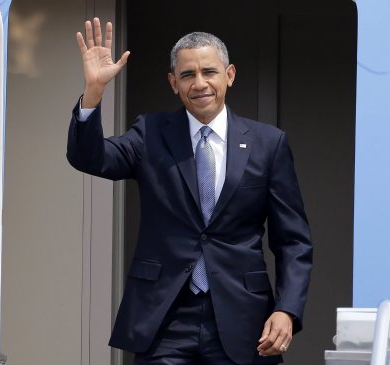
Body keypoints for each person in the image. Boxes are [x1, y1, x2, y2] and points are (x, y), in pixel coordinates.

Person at [66, 18, 313, 365]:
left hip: (244, 319)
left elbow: (294, 241)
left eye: (209, 72)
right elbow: (90, 158)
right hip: (165, 317)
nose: (199, 84)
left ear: (229, 74)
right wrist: (94, 92)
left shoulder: (268, 144)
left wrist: (287, 309)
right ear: (173, 83)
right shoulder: (150, 132)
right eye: (187, 75)